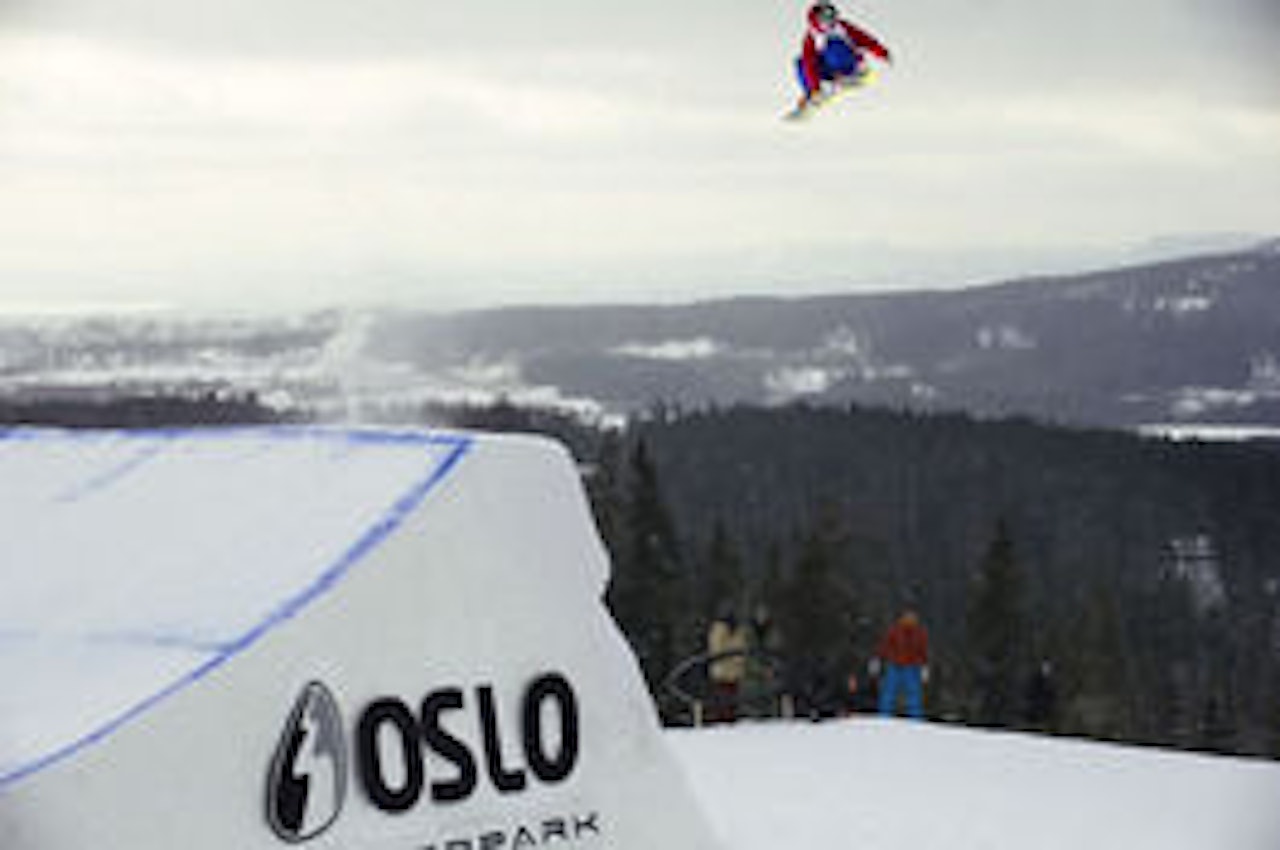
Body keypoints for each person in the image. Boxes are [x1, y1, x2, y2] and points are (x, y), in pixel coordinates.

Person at [794, 1, 892, 109]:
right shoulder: (812, 37)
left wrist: (881, 52)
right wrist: (814, 87)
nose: (830, 20)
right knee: (801, 62)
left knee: (833, 46)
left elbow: (864, 38)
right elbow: (809, 63)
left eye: (832, 16)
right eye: (826, 17)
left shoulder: (842, 27)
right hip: (829, 69)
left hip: (848, 62)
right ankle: (812, 93)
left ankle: (847, 74)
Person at [871, 608, 929, 719]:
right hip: (895, 665)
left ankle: (915, 718)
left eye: (912, 617)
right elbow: (885, 645)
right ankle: (884, 716)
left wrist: (924, 667)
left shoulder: (920, 633)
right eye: (907, 617)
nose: (909, 620)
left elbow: (922, 651)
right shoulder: (895, 630)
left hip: (912, 667)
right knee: (889, 693)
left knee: (914, 695)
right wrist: (877, 659)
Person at [706, 608, 750, 723]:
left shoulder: (739, 632)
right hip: (722, 671)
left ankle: (730, 715)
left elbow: (741, 648)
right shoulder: (718, 630)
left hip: (734, 671)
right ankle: (720, 717)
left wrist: (739, 661)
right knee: (721, 695)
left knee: (732, 695)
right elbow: (716, 649)